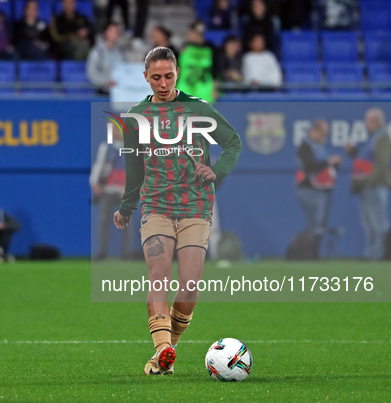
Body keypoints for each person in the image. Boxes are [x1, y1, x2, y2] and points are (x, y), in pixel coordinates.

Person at [113, 47, 242, 375]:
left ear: (177, 74)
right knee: (158, 276)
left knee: (188, 284)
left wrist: (218, 171)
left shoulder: (199, 110)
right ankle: (164, 347)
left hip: (195, 207)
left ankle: (167, 354)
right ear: (145, 77)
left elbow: (233, 142)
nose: (163, 83)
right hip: (156, 205)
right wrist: (127, 206)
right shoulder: (136, 117)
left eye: (168, 76)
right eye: (155, 77)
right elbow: (134, 169)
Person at [345, 108, 391, 260]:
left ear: (375, 121)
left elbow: (381, 163)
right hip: (365, 186)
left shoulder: (383, 137)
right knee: (368, 223)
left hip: (375, 186)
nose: (365, 124)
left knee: (378, 223)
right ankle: (370, 254)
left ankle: (379, 254)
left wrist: (370, 182)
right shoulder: (372, 138)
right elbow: (365, 159)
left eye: (367, 120)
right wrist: (352, 152)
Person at [295, 120, 342, 237]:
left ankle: (315, 252)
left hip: (323, 189)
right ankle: (310, 252)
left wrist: (334, 164)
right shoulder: (305, 147)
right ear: (314, 131)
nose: (324, 137)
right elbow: (310, 165)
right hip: (311, 189)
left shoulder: (318, 147)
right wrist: (328, 162)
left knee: (320, 225)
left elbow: (325, 167)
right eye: (323, 133)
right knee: (315, 225)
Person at [91, 124, 130, 260]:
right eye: (111, 130)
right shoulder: (105, 147)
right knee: (104, 221)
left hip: (124, 192)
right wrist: (94, 182)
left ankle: (126, 253)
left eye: (115, 129)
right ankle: (101, 252)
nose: (113, 133)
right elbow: (99, 164)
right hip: (108, 189)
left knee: (127, 222)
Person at [178, 20, 217, 103]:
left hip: (204, 89)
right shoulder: (184, 48)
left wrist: (215, 88)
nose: (189, 36)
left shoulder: (210, 48)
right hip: (186, 88)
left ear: (198, 34)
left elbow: (215, 70)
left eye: (191, 33)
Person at [87, 22, 124, 94]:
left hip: (118, 92)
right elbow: (92, 73)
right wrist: (106, 81)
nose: (115, 33)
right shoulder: (97, 51)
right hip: (102, 92)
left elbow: (125, 69)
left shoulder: (121, 52)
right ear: (105, 33)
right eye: (112, 31)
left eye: (117, 31)